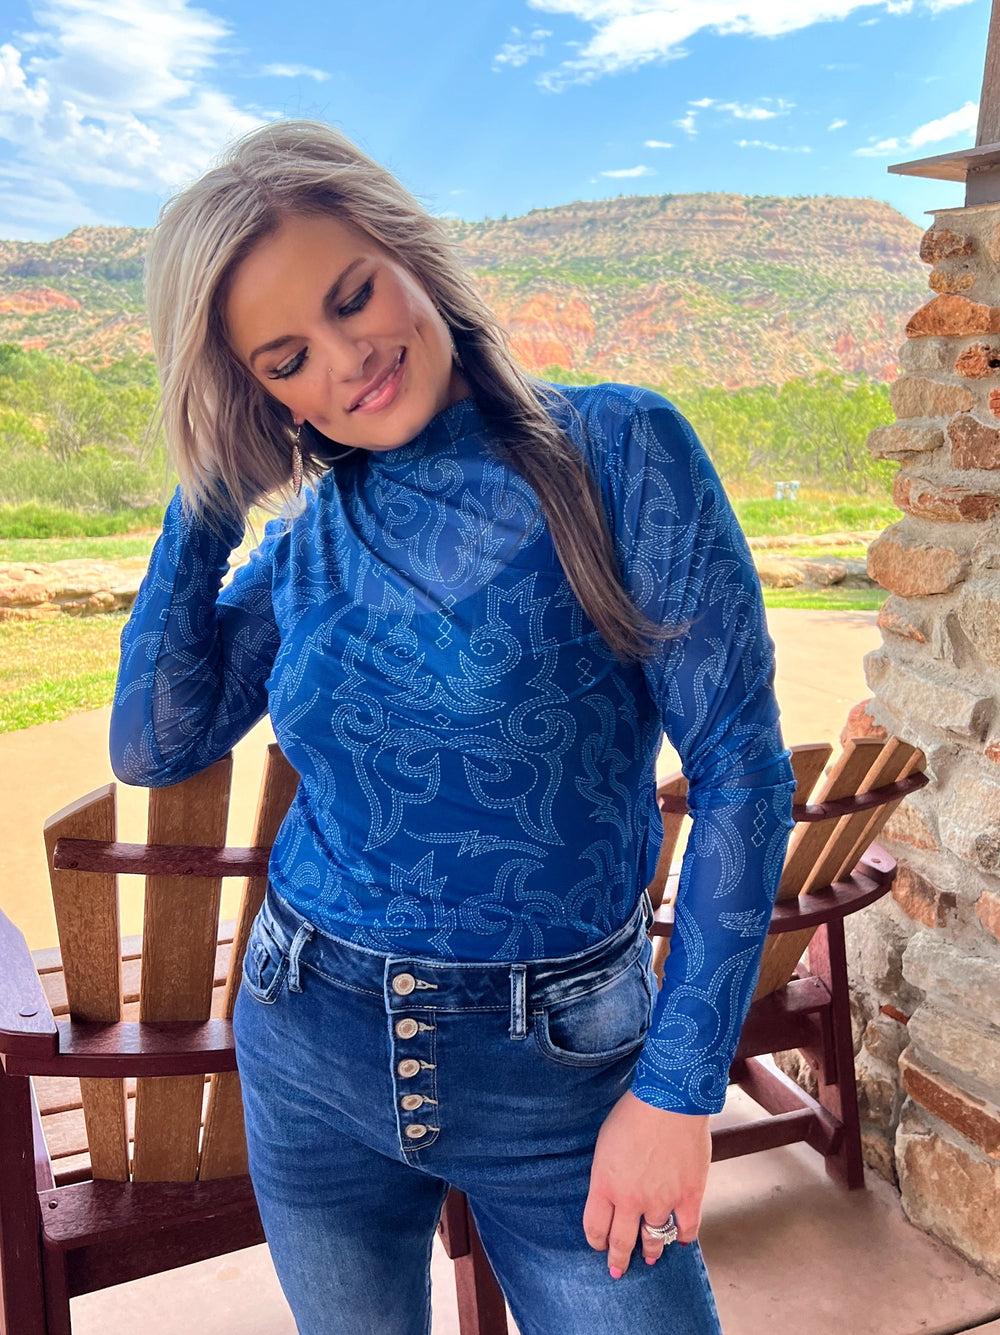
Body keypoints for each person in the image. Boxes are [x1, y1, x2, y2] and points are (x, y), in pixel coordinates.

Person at [108, 117, 796, 1335]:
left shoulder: (617, 449)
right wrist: (208, 492)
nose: (347, 362)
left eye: (352, 297)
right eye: (286, 359)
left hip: (563, 1078)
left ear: (407, 252)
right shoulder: (310, 538)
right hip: (305, 1035)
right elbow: (155, 743)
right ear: (263, 393)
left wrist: (680, 1091)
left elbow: (740, 772)